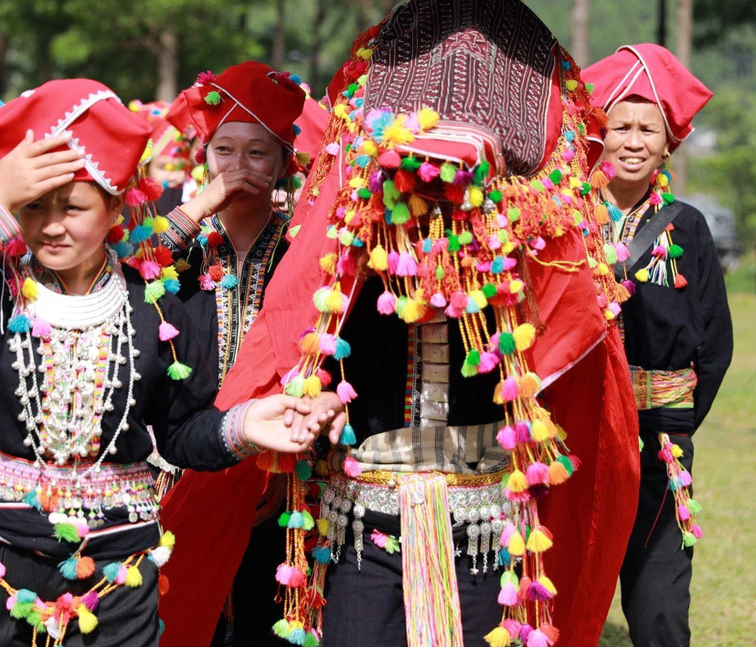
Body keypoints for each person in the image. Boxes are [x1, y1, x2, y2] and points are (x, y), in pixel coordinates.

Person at [158, 2, 640, 646]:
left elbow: (571, 312)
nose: (434, 201)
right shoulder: (342, 252)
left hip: (484, 523)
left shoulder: (526, 254)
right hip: (359, 518)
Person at [0, 78, 339, 647]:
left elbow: (179, 432)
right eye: (34, 207)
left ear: (115, 206)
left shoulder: (155, 306)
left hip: (120, 567)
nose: (51, 226)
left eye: (72, 207)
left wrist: (245, 424)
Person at [582, 44, 733, 647]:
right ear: (600, 136)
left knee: (660, 601)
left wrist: (678, 418)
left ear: (668, 145)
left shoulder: (687, 225)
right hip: (578, 438)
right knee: (562, 588)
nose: (635, 140)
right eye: (621, 126)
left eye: (650, 129)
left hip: (661, 437)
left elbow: (715, 345)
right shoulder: (564, 220)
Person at [159, 61, 313, 646]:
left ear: (283, 163)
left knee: (258, 619)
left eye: (257, 153)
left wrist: (281, 469)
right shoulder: (182, 246)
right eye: (224, 149)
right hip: (179, 458)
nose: (239, 166)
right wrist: (197, 207)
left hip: (278, 470)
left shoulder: (301, 249)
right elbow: (124, 276)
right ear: (204, 159)